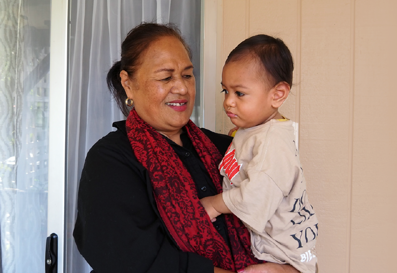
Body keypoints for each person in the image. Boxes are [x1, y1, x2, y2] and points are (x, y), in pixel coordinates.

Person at [73, 23, 300, 273]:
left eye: (187, 75)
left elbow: (291, 218)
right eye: (166, 77)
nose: (182, 88)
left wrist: (291, 268)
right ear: (128, 83)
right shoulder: (111, 160)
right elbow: (128, 258)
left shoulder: (229, 148)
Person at [200, 35, 318, 273]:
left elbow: (256, 197)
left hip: (284, 251)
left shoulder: (272, 142)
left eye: (239, 93)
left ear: (277, 95)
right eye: (226, 91)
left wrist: (214, 204)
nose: (228, 102)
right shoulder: (255, 130)